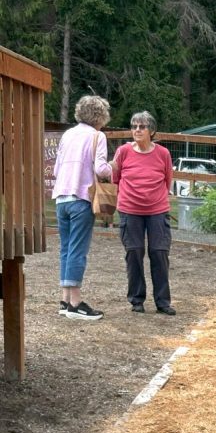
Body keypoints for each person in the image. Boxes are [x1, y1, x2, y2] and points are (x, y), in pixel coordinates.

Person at [52, 94, 112, 321]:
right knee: (78, 250)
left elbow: (57, 169)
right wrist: (114, 166)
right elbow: (101, 169)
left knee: (66, 249)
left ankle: (65, 300)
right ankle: (76, 303)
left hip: (61, 198)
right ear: (100, 115)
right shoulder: (97, 136)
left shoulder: (68, 135)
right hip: (81, 198)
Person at [111, 111, 175, 315]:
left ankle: (163, 302)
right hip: (130, 209)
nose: (137, 130)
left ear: (152, 130)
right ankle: (136, 299)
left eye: (142, 126)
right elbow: (116, 178)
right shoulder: (123, 151)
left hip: (157, 209)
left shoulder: (163, 153)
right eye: (134, 126)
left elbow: (167, 180)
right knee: (134, 252)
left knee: (159, 252)